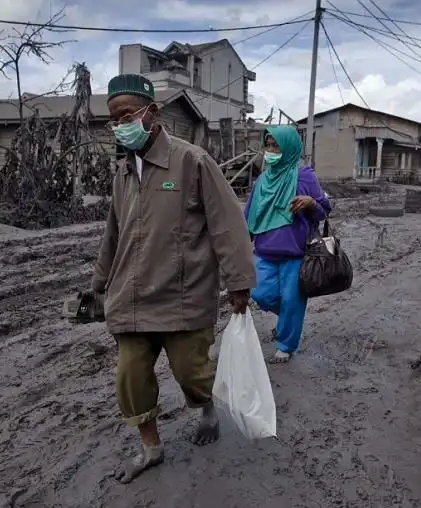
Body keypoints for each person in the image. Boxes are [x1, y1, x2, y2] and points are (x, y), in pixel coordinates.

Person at [92, 74, 256, 484]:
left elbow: (227, 224)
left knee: (191, 371)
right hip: (131, 296)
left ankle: (205, 407)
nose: (120, 125)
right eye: (113, 119)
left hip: (184, 294)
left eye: (126, 115)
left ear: (153, 112)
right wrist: (98, 284)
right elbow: (114, 232)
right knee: (130, 376)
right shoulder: (123, 172)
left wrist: (239, 282)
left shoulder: (192, 161)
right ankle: (151, 447)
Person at [244, 126, 332, 364]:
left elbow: (323, 211)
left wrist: (310, 203)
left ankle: (286, 345)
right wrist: (241, 242)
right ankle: (289, 320)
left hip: (295, 254)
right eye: (268, 145)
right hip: (264, 251)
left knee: (292, 299)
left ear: (289, 148)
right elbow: (250, 214)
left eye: (277, 146)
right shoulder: (263, 179)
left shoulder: (305, 177)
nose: (271, 151)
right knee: (261, 294)